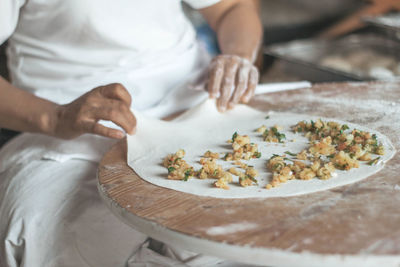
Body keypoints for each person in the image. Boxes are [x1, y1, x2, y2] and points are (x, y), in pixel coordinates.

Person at [0, 0, 263, 266]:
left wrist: (237, 56)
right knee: (52, 235)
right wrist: (56, 117)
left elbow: (233, 8)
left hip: (192, 103)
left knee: (244, 227)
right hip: (64, 120)